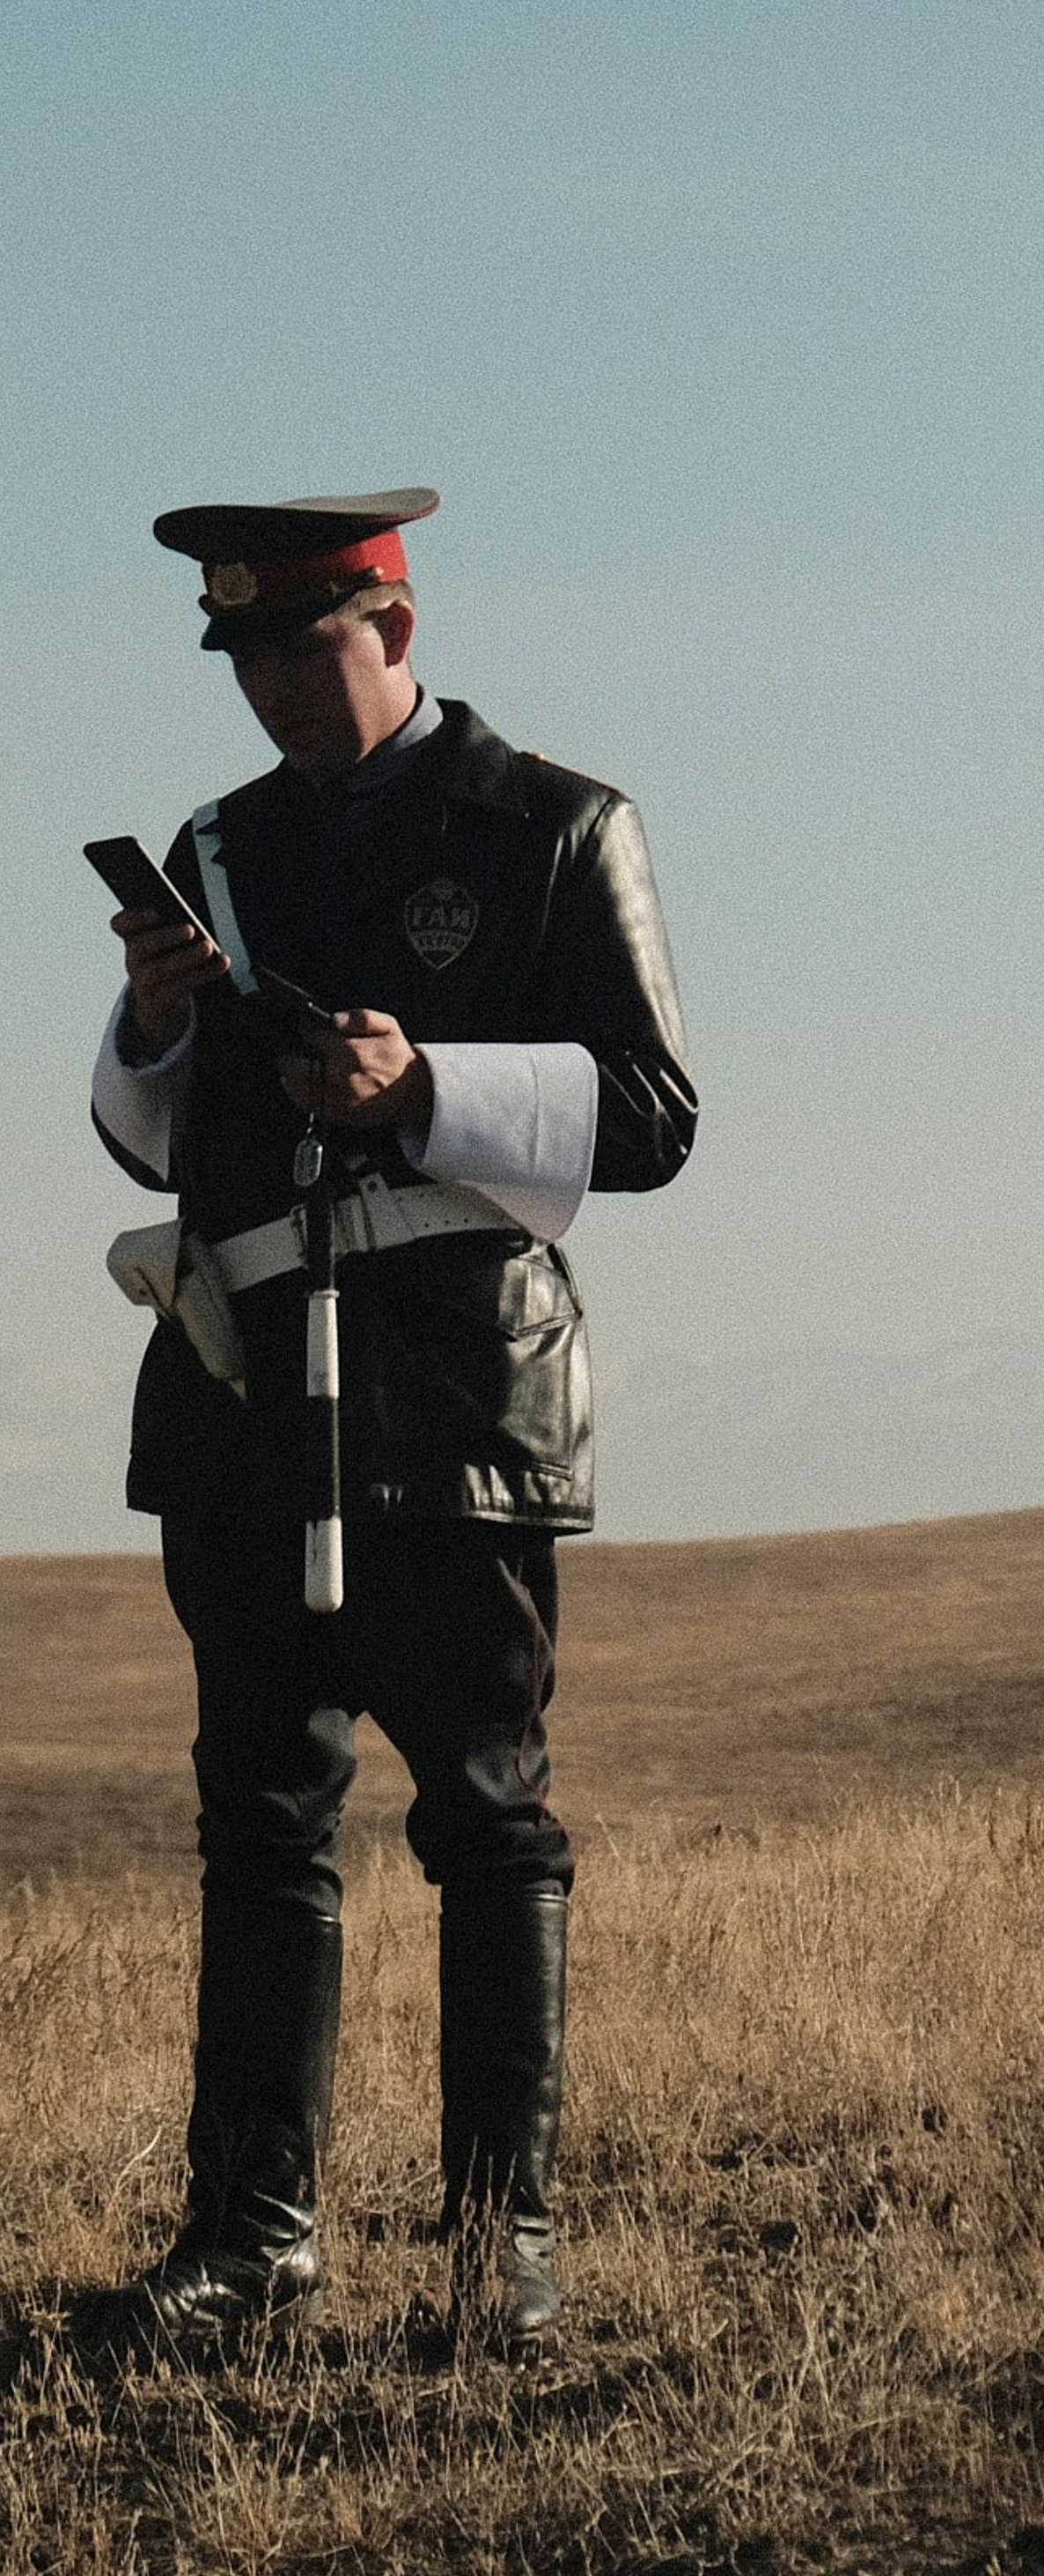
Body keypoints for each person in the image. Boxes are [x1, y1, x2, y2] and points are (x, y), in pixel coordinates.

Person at [89, 487, 695, 2360]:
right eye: (249, 653)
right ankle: (251, 2236)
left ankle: (493, 2251)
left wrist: (427, 1082)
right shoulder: (218, 848)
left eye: (307, 643)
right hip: (250, 1373)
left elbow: (655, 1112)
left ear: (397, 630)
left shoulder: (555, 828)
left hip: (457, 1374)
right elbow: (142, 1134)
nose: (275, 682)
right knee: (258, 1807)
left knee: (487, 1807)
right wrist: (162, 1027)